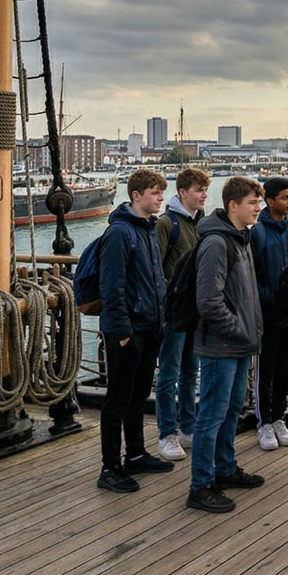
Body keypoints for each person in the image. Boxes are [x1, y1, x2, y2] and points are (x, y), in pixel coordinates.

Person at [186, 176, 265, 514]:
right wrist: (239, 331)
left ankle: (225, 466)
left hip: (239, 343)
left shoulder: (241, 239)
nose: (258, 208)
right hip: (222, 345)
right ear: (233, 205)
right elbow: (208, 300)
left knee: (232, 409)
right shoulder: (218, 243)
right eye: (252, 202)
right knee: (212, 415)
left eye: (258, 202)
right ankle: (201, 485)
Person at [97, 169, 174, 493]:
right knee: (118, 398)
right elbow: (111, 287)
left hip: (149, 327)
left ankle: (137, 453)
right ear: (136, 196)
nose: (160, 198)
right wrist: (122, 332)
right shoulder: (120, 233)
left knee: (139, 395)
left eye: (161, 192)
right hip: (128, 331)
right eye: (155, 193)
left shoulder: (148, 230)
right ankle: (110, 467)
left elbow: (154, 280)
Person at [154, 167, 211, 461]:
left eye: (205, 190)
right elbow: (156, 267)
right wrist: (168, 299)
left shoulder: (202, 224)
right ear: (183, 193)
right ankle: (167, 433)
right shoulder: (167, 224)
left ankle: (187, 427)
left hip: (197, 310)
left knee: (191, 371)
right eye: (198, 190)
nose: (203, 195)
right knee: (168, 373)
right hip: (175, 312)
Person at [249, 176, 288, 451]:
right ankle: (264, 422)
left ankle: (279, 417)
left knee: (284, 368)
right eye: (284, 197)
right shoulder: (257, 232)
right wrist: (266, 297)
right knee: (265, 368)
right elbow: (252, 272)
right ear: (270, 202)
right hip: (266, 313)